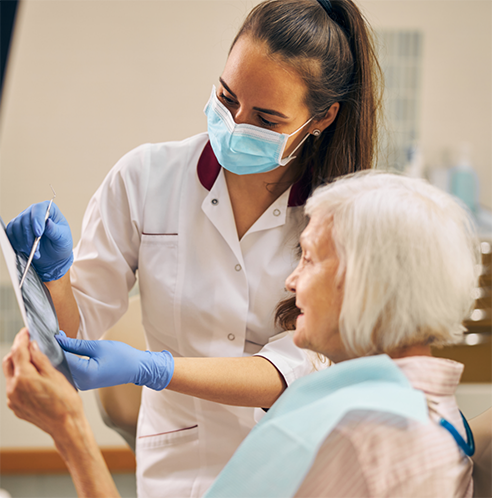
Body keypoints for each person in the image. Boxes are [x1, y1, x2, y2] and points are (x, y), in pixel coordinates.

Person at [6, 0, 381, 496]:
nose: (235, 124)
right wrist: (52, 277)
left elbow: (298, 365)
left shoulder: (339, 217)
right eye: (227, 99)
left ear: (322, 117)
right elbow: (75, 337)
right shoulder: (146, 178)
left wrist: (156, 369)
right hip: (177, 463)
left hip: (294, 462)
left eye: (266, 119)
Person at [4, 171, 478, 498]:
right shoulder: (427, 413)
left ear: (368, 284)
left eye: (308, 259)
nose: (291, 282)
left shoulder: (361, 440)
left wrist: (70, 432)